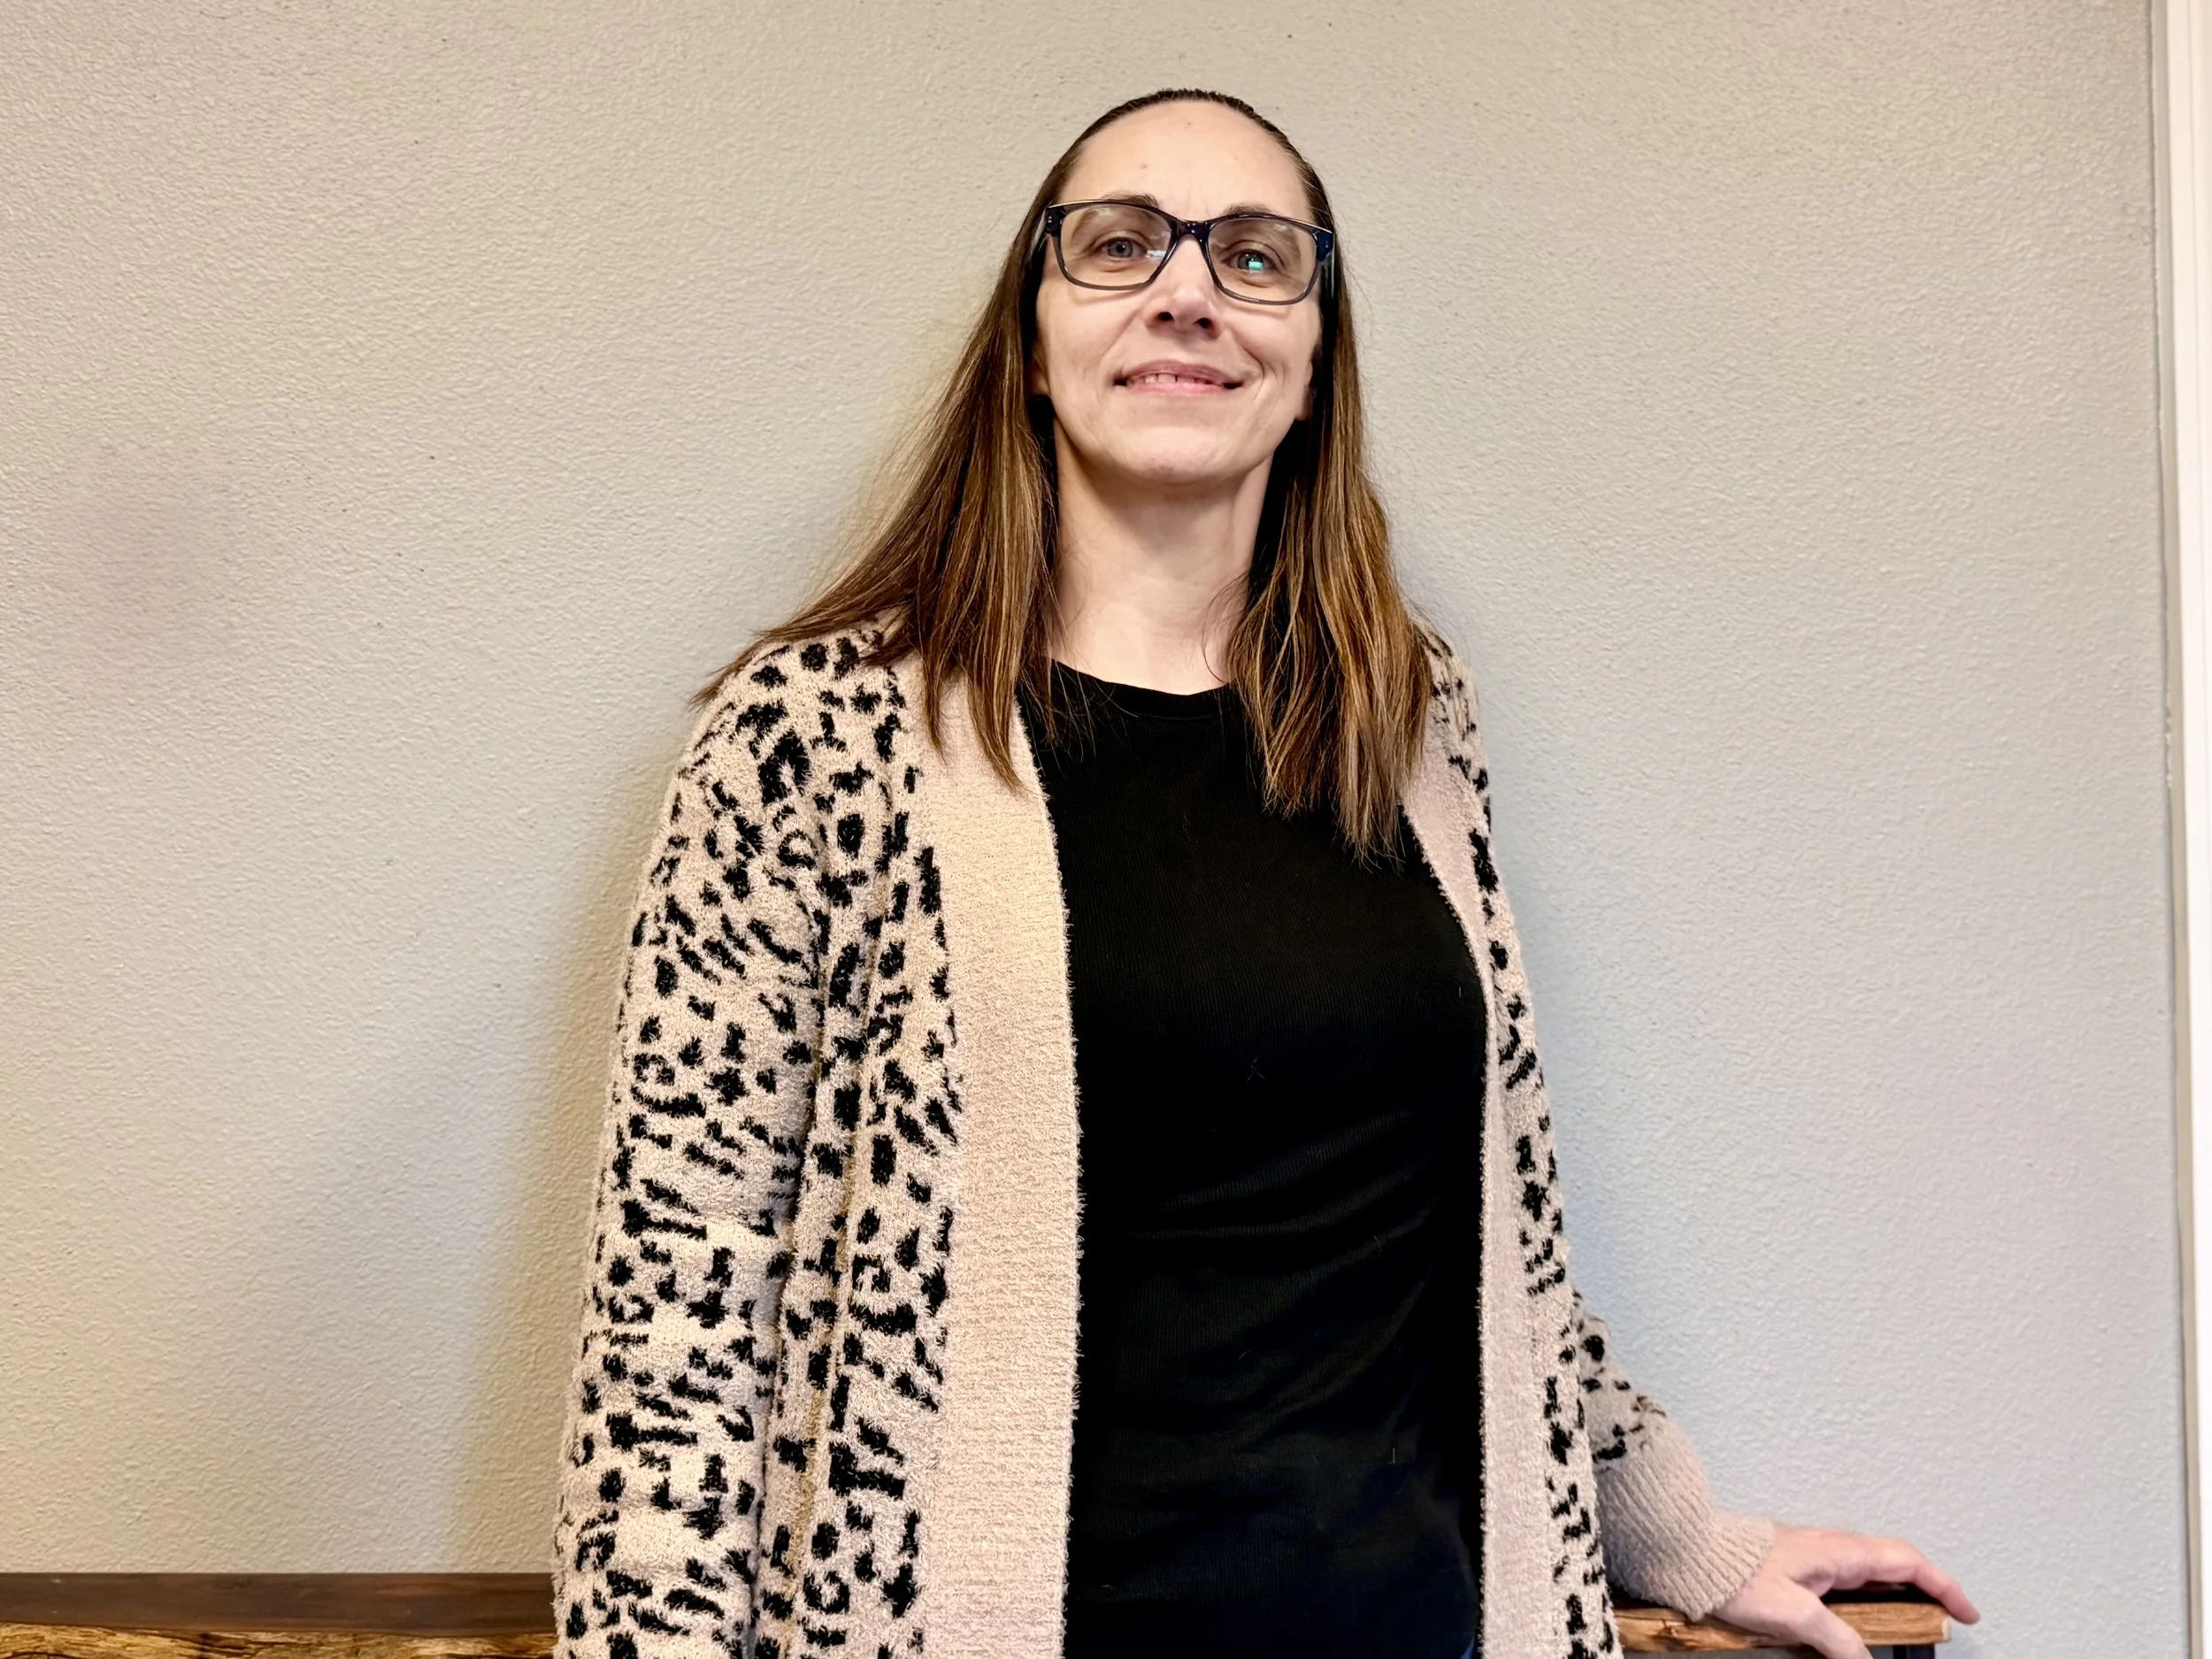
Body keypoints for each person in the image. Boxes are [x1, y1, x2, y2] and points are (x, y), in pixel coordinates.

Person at [549, 88, 1981, 1659]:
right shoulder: (815, 738)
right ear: (1031, 340)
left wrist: (1686, 1534)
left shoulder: (1408, 723)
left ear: (1311, 363)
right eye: (1116, 245)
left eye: (1253, 255)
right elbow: (672, 1332)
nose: (1185, 291)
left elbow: (1490, 1232)